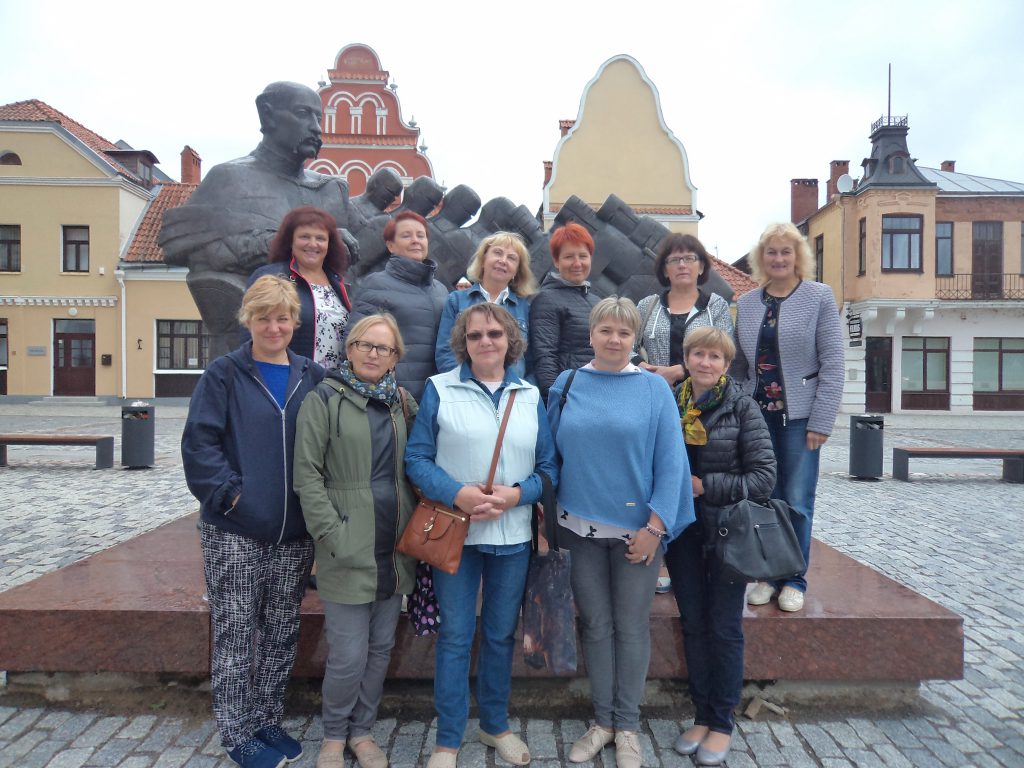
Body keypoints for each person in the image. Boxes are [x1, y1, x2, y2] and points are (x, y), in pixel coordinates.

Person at [181, 275, 325, 768]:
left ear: (294, 322)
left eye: (283, 317)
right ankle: (236, 730)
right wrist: (231, 497)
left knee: (282, 628)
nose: (274, 326)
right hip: (236, 528)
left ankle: (266, 718)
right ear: (249, 320)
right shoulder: (224, 373)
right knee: (237, 629)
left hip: (293, 530)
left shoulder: (312, 376)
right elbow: (200, 444)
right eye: (264, 316)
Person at [405, 304, 558, 768]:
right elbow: (417, 459)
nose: (485, 342)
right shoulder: (438, 388)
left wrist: (516, 495)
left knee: (499, 635)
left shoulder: (530, 394)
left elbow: (548, 470)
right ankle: (448, 739)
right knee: (455, 636)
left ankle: (495, 725)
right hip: (456, 532)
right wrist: (458, 494)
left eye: (494, 333)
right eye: (475, 335)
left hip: (511, 535)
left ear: (510, 339)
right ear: (463, 342)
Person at [547, 297, 693, 768]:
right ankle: (602, 720)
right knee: (596, 625)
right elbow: (550, 457)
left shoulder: (654, 391)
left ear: (635, 340)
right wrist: (544, 523)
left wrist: (656, 527)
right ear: (591, 334)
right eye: (605, 330)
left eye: (623, 333)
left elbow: (672, 464)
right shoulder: (566, 385)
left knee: (631, 628)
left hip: (638, 533)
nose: (614, 339)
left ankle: (627, 725)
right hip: (577, 528)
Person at [293, 314, 417, 768]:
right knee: (347, 653)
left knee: (381, 647)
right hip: (347, 543)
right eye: (364, 344)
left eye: (382, 348)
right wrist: (331, 534)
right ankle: (333, 733)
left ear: (394, 358)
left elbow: (422, 459)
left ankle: (362, 732)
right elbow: (307, 475)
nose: (372, 353)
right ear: (348, 349)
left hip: (395, 545)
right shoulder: (323, 399)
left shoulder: (403, 402)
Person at [160, 81, 353, 360]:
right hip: (247, 357)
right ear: (267, 114)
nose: (315, 127)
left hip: (323, 361)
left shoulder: (332, 190)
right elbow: (186, 251)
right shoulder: (228, 181)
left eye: (318, 117)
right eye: (302, 113)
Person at [666, 327, 775, 767]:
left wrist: (705, 486)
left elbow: (764, 478)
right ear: (686, 358)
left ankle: (723, 720)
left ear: (727, 365)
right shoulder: (670, 402)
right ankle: (701, 713)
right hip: (683, 535)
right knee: (693, 624)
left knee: (725, 627)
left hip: (728, 535)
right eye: (698, 354)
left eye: (715, 357)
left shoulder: (743, 408)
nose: (705, 363)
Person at [731, 222, 843, 613]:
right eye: (771, 252)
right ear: (761, 259)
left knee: (796, 500)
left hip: (799, 419)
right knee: (763, 498)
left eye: (786, 251)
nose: (778, 259)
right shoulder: (747, 304)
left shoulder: (818, 297)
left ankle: (794, 578)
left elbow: (833, 363)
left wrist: (821, 420)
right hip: (758, 418)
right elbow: (740, 367)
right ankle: (767, 574)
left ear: (799, 257)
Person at [345, 210, 447, 400]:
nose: (415, 240)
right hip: (394, 399)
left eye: (421, 235)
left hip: (436, 398)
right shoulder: (376, 285)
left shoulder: (441, 290)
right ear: (390, 245)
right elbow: (354, 342)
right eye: (406, 236)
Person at [244, 207, 352, 369]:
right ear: (290, 241)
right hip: (290, 381)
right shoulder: (271, 277)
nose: (313, 244)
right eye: (304, 237)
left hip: (333, 387)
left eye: (321, 238)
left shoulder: (338, 283)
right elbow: (249, 332)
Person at [635, 233, 734, 389]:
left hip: (703, 398)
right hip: (653, 393)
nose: (682, 265)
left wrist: (680, 370)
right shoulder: (647, 306)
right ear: (665, 270)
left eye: (689, 258)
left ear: (701, 267)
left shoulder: (716, 306)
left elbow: (726, 353)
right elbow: (626, 347)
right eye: (674, 260)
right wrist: (646, 369)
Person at [435, 231, 538, 379]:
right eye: (497, 253)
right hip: (465, 391)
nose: (503, 261)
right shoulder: (456, 301)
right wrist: (464, 386)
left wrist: (522, 392)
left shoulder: (525, 309)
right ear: (483, 260)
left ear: (516, 270)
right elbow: (445, 352)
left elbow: (531, 362)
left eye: (511, 258)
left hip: (511, 394)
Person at [528, 221, 600, 399]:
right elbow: (545, 356)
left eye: (583, 256)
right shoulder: (546, 299)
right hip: (570, 396)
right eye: (569, 257)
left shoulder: (597, 301)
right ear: (556, 261)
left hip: (597, 390)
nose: (577, 263)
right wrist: (557, 400)